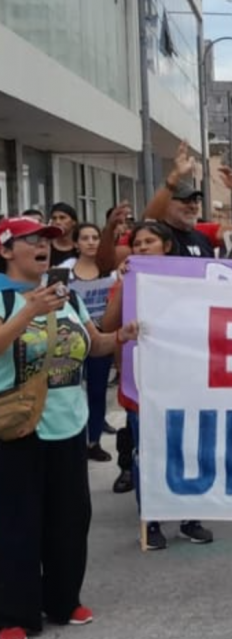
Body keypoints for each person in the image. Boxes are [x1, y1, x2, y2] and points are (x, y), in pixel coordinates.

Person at [0, 217, 138, 638]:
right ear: (6, 250)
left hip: (68, 425)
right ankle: (14, 614)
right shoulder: (5, 298)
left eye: (47, 240)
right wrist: (29, 311)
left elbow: (93, 344)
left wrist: (123, 335)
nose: (43, 247)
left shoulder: (67, 296)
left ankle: (63, 599)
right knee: (17, 523)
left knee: (70, 519)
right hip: (16, 430)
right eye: (30, 240)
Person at [101, 222, 214, 549]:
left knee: (189, 448)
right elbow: (107, 326)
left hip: (184, 381)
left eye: (149, 241)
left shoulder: (189, 280)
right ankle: (150, 521)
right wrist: (123, 285)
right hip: (142, 384)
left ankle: (190, 518)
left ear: (166, 246)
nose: (142, 247)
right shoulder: (125, 281)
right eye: (137, 243)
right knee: (148, 453)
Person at [59, 222, 120, 462]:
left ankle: (93, 441)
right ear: (76, 243)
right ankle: (71, 441)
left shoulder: (112, 271)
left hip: (101, 338)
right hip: (69, 340)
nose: (91, 242)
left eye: (95, 237)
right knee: (69, 390)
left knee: (97, 391)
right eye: (85, 238)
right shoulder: (64, 271)